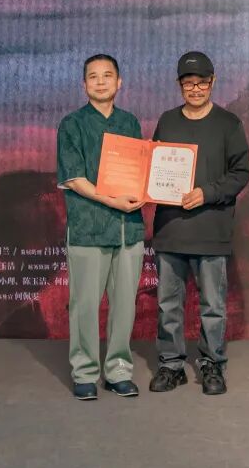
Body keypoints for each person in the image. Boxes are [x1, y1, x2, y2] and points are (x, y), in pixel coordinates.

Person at [148, 51, 249, 395]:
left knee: (213, 306)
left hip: (211, 229)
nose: (195, 88)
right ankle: (171, 365)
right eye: (188, 82)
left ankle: (212, 365)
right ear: (179, 85)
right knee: (168, 304)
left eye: (202, 82)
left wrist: (207, 193)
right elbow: (154, 169)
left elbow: (241, 173)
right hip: (170, 229)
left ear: (213, 82)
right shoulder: (167, 121)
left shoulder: (229, 124)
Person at [56, 54, 146, 400]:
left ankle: (119, 370)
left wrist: (144, 191)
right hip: (88, 229)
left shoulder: (130, 122)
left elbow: (138, 171)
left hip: (127, 229)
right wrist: (113, 200)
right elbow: (74, 179)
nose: (101, 81)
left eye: (107, 75)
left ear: (119, 82)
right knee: (85, 304)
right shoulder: (72, 124)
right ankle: (85, 371)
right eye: (93, 76)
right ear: (84, 85)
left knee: (124, 305)